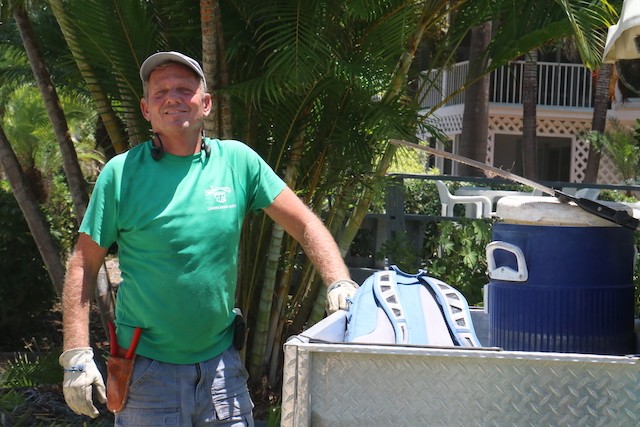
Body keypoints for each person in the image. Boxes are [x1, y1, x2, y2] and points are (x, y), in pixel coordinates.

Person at [59, 51, 358, 426]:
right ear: (146, 109)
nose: (173, 98)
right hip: (147, 375)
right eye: (160, 92)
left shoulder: (237, 162)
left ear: (206, 104)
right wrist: (75, 355)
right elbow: (83, 264)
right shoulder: (121, 174)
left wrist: (338, 281)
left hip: (222, 373)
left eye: (184, 89)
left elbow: (304, 223)